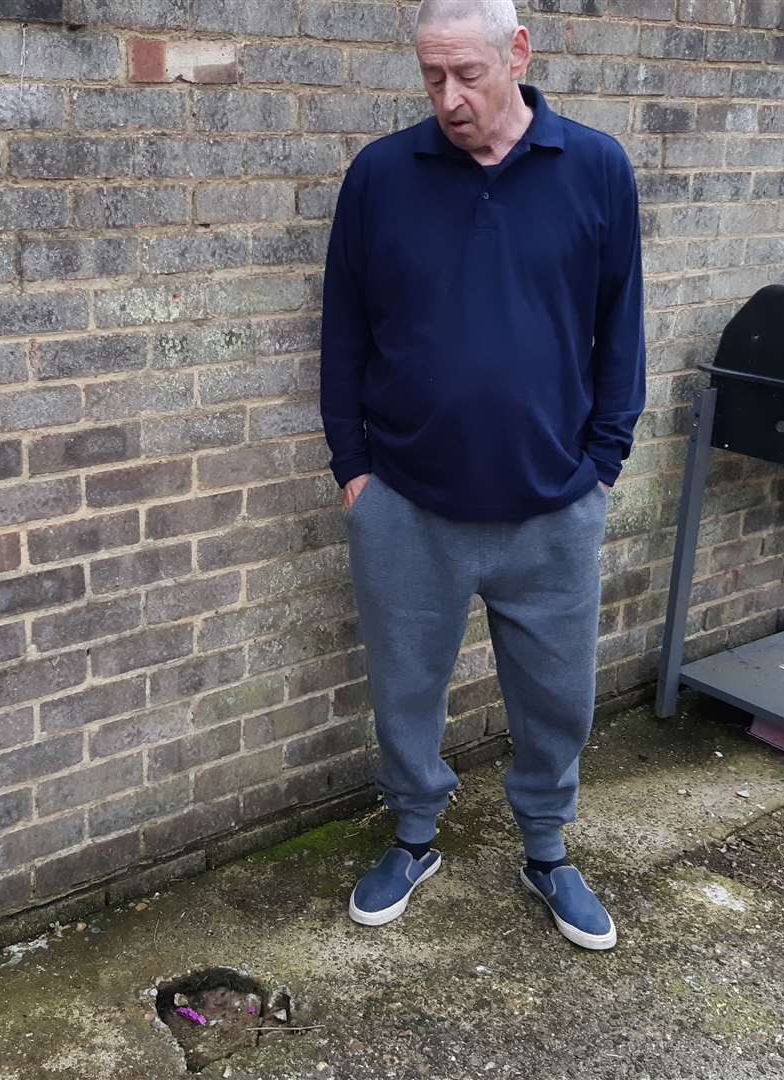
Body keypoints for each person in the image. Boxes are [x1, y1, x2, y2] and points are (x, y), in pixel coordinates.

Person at [319, 0, 646, 949]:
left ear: (519, 52)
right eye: (432, 78)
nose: (450, 99)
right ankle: (414, 834)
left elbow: (619, 325)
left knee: (557, 696)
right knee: (403, 690)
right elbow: (344, 327)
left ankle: (546, 850)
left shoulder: (595, 169)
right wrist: (353, 467)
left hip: (553, 505)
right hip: (407, 504)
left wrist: (602, 464)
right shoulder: (384, 175)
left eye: (467, 74)